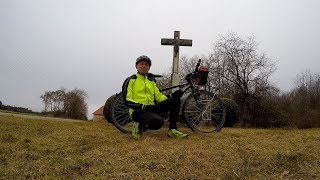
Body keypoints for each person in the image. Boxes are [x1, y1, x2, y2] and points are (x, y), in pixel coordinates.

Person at [122, 55, 188, 139]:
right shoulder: (131, 80)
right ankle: (138, 125)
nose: (144, 66)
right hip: (138, 111)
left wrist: (171, 96)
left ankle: (172, 130)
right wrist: (143, 107)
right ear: (136, 66)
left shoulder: (151, 81)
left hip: (152, 109)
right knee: (157, 122)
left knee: (174, 99)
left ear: (149, 68)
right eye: (141, 64)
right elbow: (126, 100)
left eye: (146, 64)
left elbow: (158, 96)